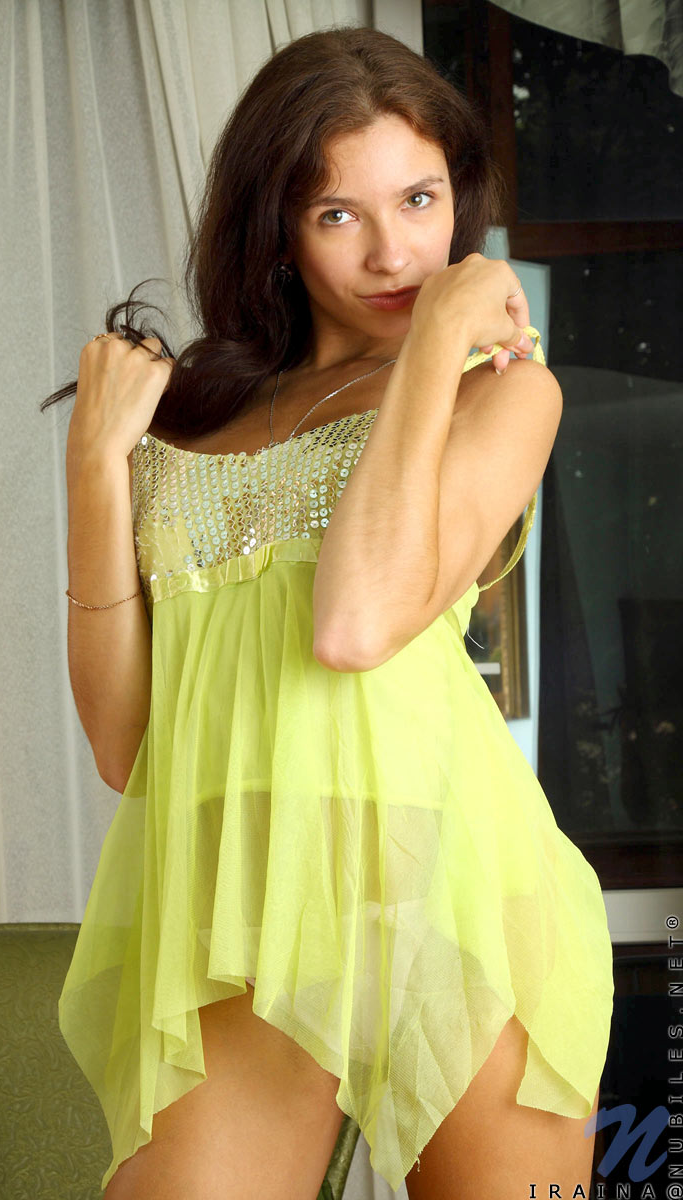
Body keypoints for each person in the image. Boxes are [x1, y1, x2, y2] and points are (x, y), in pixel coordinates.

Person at [44, 25, 614, 1200]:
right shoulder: (186, 421)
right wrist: (96, 463)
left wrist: (432, 348)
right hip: (241, 913)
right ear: (276, 228)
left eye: (419, 199)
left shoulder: (501, 397)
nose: (395, 252)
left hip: (452, 894)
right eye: (337, 213)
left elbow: (355, 624)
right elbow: (125, 747)